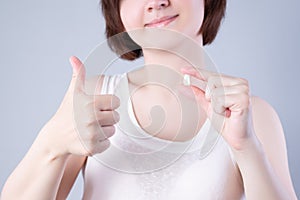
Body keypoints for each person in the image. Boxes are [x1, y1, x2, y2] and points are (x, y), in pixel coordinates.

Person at [1, 0, 298, 199]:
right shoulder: (92, 101)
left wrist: (247, 148)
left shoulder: (252, 115)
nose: (156, 2)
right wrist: (50, 145)